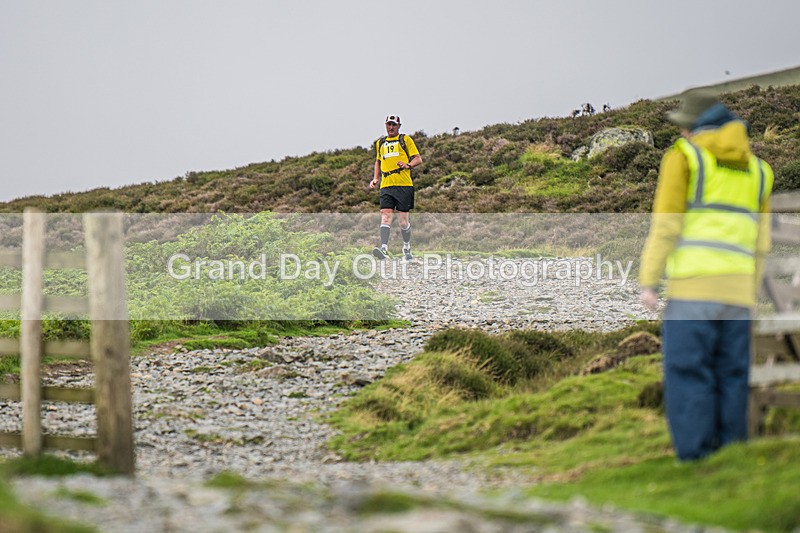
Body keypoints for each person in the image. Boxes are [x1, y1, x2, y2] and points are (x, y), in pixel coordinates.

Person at [639, 89, 773, 461]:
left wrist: (649, 280)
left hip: (693, 292)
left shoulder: (684, 158)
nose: (682, 135)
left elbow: (666, 226)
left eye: (685, 128)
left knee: (688, 373)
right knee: (733, 376)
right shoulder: (760, 171)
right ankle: (731, 460)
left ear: (695, 128)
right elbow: (761, 243)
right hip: (739, 296)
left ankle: (696, 461)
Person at [369, 115, 422, 260]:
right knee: (385, 216)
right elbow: (378, 161)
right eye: (388, 124)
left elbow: (418, 158)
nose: (390, 127)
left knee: (403, 221)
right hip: (386, 185)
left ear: (399, 126)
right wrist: (375, 178)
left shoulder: (405, 140)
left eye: (393, 125)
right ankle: (384, 248)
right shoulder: (380, 143)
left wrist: (408, 165)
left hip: (403, 185)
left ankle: (406, 247)